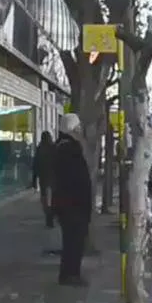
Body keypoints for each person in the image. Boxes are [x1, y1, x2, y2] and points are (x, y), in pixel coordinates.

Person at [52, 114, 93, 286]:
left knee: (72, 240)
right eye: (77, 128)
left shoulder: (64, 147)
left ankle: (68, 273)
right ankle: (71, 274)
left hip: (70, 204)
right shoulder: (69, 149)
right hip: (73, 205)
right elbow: (73, 179)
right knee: (74, 241)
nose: (80, 131)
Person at [32, 131, 56, 228]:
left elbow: (35, 166)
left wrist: (34, 180)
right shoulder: (53, 148)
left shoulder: (39, 149)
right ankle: (51, 216)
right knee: (52, 198)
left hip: (43, 178)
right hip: (53, 178)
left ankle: (48, 215)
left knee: (44, 198)